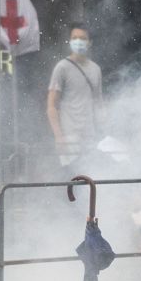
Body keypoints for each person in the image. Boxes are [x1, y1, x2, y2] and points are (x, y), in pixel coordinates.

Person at [45, 22, 102, 173]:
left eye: (82, 38)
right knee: (72, 180)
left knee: (90, 179)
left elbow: (98, 104)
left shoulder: (96, 69)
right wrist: (59, 136)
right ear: (70, 41)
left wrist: (102, 132)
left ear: (89, 43)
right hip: (69, 136)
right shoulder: (62, 67)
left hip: (89, 137)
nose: (78, 41)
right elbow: (51, 105)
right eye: (74, 37)